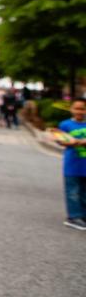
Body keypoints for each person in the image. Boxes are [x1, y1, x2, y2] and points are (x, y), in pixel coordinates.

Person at [55, 98, 86, 231]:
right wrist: (77, 142)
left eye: (83, 108)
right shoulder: (65, 124)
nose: (79, 111)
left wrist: (76, 142)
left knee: (84, 192)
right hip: (72, 165)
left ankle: (83, 215)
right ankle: (74, 217)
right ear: (71, 109)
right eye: (77, 108)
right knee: (73, 191)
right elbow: (61, 141)